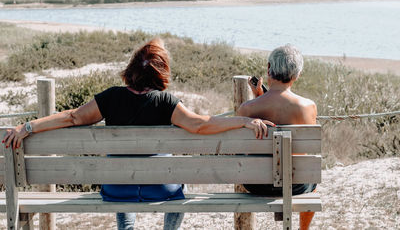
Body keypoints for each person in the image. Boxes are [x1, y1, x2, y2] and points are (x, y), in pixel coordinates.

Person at [2, 38, 274, 230]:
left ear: (131, 69)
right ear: (161, 73)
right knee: (182, 183)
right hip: (162, 189)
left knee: (121, 172)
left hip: (117, 189)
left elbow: (73, 117)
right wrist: (242, 122)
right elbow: (200, 125)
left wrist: (28, 127)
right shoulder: (165, 102)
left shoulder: (110, 98)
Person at [237, 44, 317, 230]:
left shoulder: (247, 109)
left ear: (268, 69)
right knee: (311, 179)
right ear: (297, 75)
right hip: (296, 185)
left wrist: (259, 96)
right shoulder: (308, 107)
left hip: (256, 184)